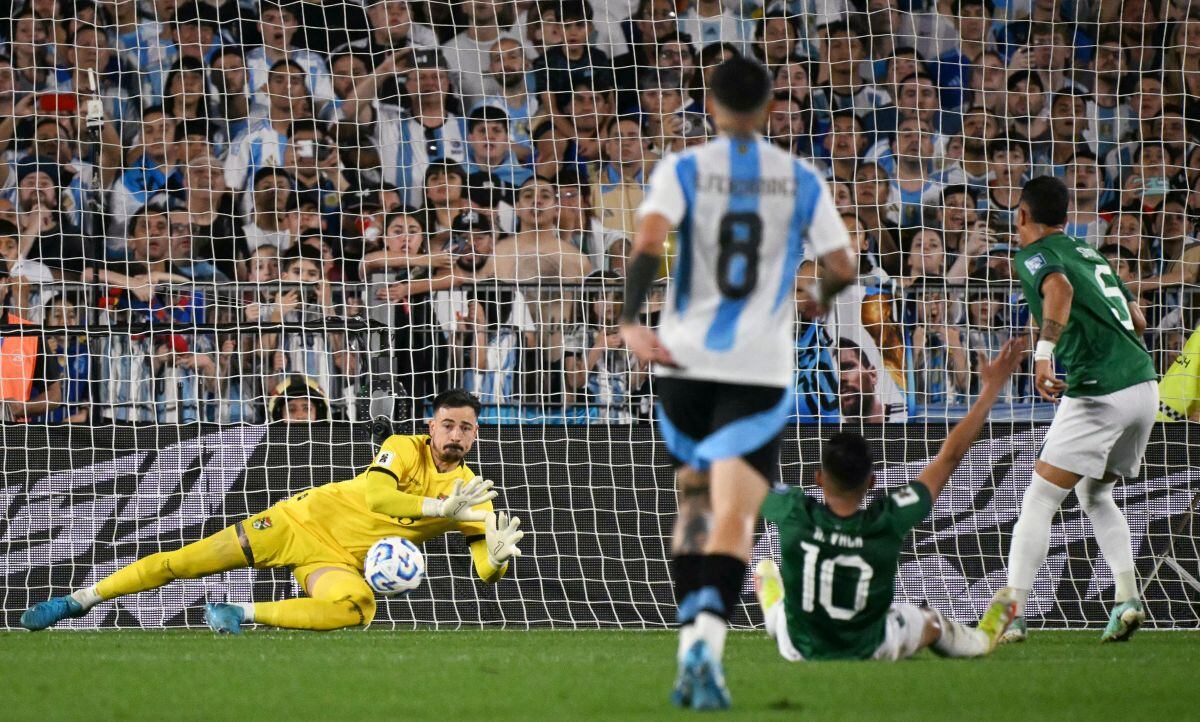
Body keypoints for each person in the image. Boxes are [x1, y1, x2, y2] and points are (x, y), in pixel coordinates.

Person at [618, 56, 856, 710]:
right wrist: (818, 295)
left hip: (682, 361)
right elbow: (843, 263)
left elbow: (645, 245)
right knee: (734, 515)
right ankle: (706, 645)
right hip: (756, 369)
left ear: (712, 106)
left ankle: (690, 635)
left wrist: (629, 321)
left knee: (693, 503)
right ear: (771, 105)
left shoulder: (684, 168)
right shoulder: (799, 177)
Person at [20, 390, 525, 634]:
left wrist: (498, 559)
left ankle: (237, 613)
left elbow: (484, 570)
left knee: (356, 609)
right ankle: (78, 600)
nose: (455, 435)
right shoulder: (402, 445)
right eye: (447, 425)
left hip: (338, 562)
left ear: (475, 434)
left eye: (465, 428)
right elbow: (377, 498)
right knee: (183, 561)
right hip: (298, 522)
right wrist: (440, 505)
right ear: (431, 427)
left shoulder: (475, 493)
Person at [754, 341, 1025, 662]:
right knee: (929, 621)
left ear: (818, 479)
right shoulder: (889, 517)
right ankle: (981, 639)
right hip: (872, 648)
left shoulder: (793, 510)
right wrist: (990, 390)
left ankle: (772, 599)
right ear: (871, 482)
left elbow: (735, 476)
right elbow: (950, 457)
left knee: (783, 616)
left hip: (799, 648)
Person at [991, 176, 1159, 643]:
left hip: (1099, 391)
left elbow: (1059, 291)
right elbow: (1139, 320)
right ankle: (1127, 597)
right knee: (1095, 495)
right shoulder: (1092, 254)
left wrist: (1044, 354)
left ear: (1021, 215)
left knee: (1040, 499)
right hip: (1143, 386)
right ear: (1066, 216)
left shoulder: (1035, 256)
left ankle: (1012, 613)